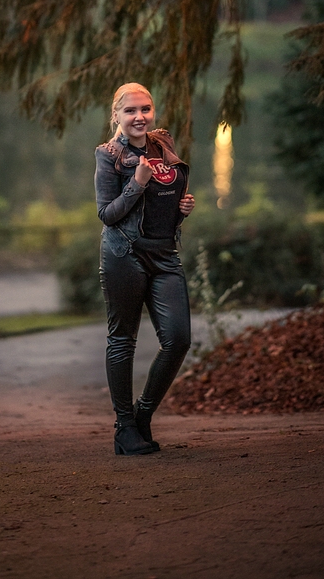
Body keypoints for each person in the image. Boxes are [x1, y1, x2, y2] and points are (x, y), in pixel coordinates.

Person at [94, 82, 195, 456]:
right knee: (123, 340)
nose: (140, 117)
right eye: (131, 111)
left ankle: (143, 414)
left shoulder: (161, 143)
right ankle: (124, 427)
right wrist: (136, 184)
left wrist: (180, 208)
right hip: (125, 254)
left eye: (145, 109)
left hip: (165, 254)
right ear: (117, 116)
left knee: (178, 339)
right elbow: (107, 215)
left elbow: (167, 191)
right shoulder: (108, 156)